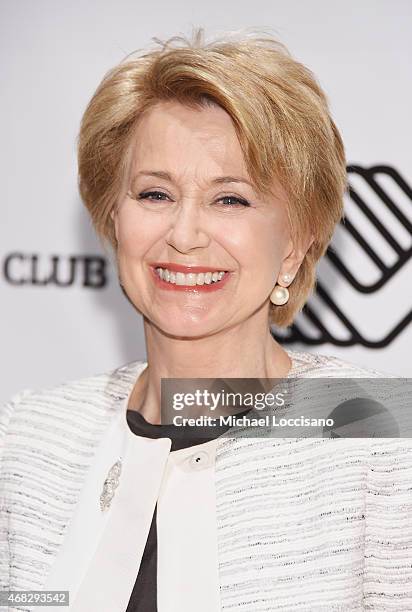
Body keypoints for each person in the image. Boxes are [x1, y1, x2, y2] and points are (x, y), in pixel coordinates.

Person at [1, 28, 411, 612]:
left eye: (231, 199)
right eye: (155, 195)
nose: (185, 236)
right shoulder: (30, 438)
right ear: (113, 219)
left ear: (293, 244)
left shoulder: (381, 441)